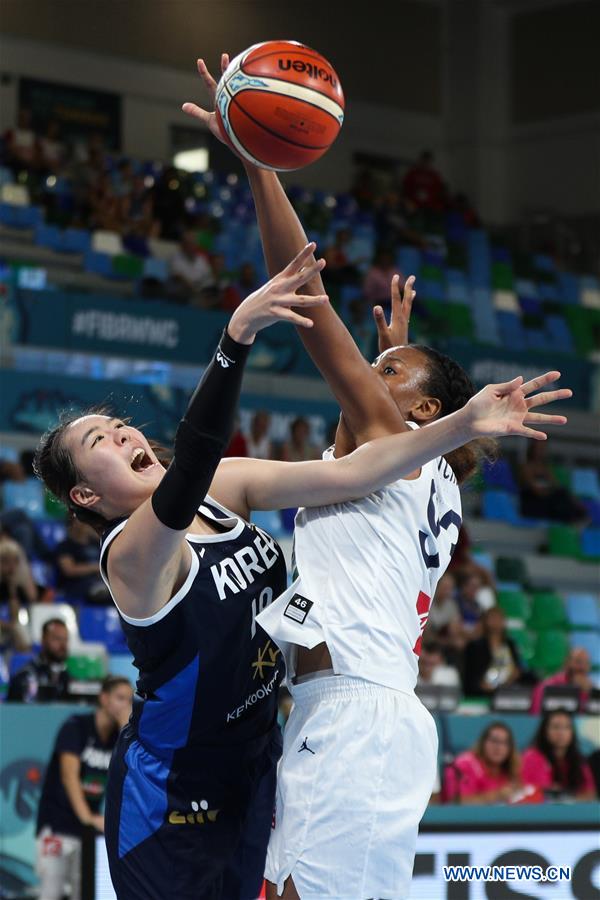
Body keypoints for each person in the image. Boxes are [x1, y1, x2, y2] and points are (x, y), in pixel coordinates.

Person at [35, 237, 566, 900]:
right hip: (174, 789)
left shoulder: (226, 487)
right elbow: (194, 460)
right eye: (99, 443)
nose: (121, 435)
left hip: (262, 762)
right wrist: (234, 338)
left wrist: (451, 423)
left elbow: (353, 472)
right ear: (85, 495)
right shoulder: (131, 554)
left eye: (118, 426)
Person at [183, 54, 572, 900]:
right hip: (353, 713)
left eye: (387, 371)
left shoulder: (395, 438)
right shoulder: (423, 469)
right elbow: (388, 400)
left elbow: (309, 301)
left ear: (424, 413)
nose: (369, 372)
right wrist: (401, 357)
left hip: (355, 715)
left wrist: (258, 163)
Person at [36, 676, 133, 900]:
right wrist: (88, 817)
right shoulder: (76, 726)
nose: (126, 705)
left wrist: (124, 730)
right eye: (120, 698)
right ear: (104, 698)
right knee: (51, 892)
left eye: (130, 700)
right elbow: (69, 777)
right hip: (58, 825)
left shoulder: (117, 740)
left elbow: (130, 778)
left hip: (86, 833)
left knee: (85, 892)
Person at [521, 710, 596, 801]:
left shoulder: (579, 761)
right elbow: (542, 794)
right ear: (545, 731)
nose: (561, 732)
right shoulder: (532, 757)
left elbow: (590, 794)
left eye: (567, 727)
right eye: (556, 727)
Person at [443, 721, 521, 804]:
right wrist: (497, 795)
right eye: (494, 741)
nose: (498, 747)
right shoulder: (465, 764)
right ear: (483, 742)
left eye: (504, 743)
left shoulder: (512, 769)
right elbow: (458, 802)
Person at [518, 440, 588, 524]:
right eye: (539, 448)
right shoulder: (527, 467)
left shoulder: (545, 467)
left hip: (546, 498)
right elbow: (536, 489)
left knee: (562, 493)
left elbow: (555, 484)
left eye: (543, 449)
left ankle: (578, 517)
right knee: (559, 499)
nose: (541, 451)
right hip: (532, 501)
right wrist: (550, 490)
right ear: (532, 449)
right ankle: (573, 520)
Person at [463, 607, 523, 698]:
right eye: (493, 618)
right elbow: (470, 674)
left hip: (507, 691)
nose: (496, 621)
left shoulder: (510, 645)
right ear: (485, 621)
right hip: (481, 692)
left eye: (499, 618)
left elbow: (516, 669)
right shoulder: (474, 647)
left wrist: (512, 677)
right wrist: (481, 685)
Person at [7, 618, 70, 702]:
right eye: (57, 639)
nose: (63, 645)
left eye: (65, 639)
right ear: (43, 640)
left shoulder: (70, 676)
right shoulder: (25, 676)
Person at [55, 518, 110, 604]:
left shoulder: (96, 544)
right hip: (77, 586)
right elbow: (69, 570)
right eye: (81, 522)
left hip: (100, 581)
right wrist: (96, 568)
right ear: (72, 525)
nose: (85, 525)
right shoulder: (65, 546)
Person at [530, 647, 593, 714]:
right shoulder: (546, 686)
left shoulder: (592, 690)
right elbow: (535, 715)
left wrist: (585, 694)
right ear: (567, 663)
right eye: (578, 661)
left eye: (586, 663)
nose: (582, 667)